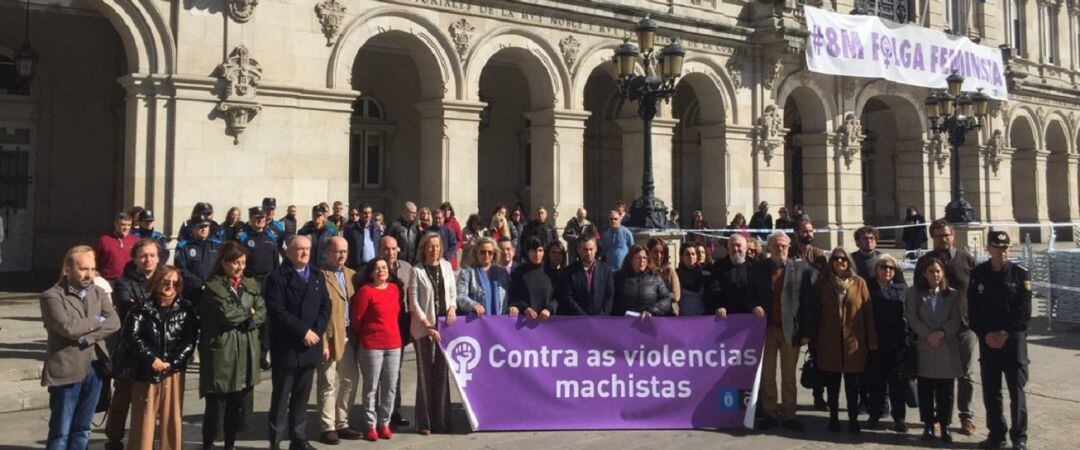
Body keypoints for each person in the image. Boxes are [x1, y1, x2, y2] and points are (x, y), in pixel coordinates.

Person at [41, 246, 121, 450]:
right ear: (68, 269)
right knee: (61, 430)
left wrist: (88, 337)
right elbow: (69, 328)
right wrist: (96, 319)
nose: (89, 274)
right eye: (83, 269)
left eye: (92, 269)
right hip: (67, 368)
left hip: (94, 368)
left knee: (83, 428)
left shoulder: (98, 292)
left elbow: (114, 322)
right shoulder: (52, 296)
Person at [115, 266, 198, 450]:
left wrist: (173, 362)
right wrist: (151, 359)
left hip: (173, 371)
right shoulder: (141, 308)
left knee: (172, 420)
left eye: (174, 282)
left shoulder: (185, 308)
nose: (170, 285)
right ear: (156, 282)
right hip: (146, 371)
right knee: (143, 421)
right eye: (165, 281)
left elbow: (190, 339)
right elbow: (131, 336)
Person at [263, 235, 331, 450]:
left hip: (310, 346)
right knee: (281, 397)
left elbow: (325, 307)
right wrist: (303, 331)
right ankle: (275, 441)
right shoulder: (277, 277)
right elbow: (277, 311)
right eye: (300, 249)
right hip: (288, 346)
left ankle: (298, 438)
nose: (304, 253)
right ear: (289, 252)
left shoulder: (317, 276)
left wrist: (316, 332)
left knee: (302, 396)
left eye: (308, 249)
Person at [198, 241, 267, 450]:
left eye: (243, 263)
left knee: (237, 403)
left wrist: (250, 317)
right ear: (224, 263)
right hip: (222, 352)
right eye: (235, 263)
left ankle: (230, 444)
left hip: (246, 350)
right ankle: (208, 443)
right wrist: (248, 314)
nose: (239, 267)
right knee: (217, 403)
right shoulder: (213, 287)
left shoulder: (250, 285)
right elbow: (227, 314)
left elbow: (262, 312)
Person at [969, 231, 1031, 450]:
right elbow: (973, 312)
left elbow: (1023, 313)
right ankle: (996, 434)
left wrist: (1004, 334)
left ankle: (1019, 437)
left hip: (1013, 343)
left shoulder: (1020, 274)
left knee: (1017, 392)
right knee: (991, 391)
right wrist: (986, 334)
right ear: (989, 249)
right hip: (989, 343)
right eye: (997, 247)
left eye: (1005, 248)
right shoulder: (978, 274)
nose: (1002, 252)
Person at [747, 231, 815, 431]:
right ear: (769, 248)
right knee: (768, 374)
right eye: (776, 246)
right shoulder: (759, 269)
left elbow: (808, 303)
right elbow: (749, 294)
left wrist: (807, 332)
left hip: (790, 330)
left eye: (784, 246)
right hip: (767, 329)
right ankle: (769, 413)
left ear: (789, 247)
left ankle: (788, 414)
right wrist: (754, 306)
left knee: (788, 376)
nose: (780, 249)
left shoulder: (800, 268)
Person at [916, 219, 977, 436]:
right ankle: (937, 418)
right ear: (932, 237)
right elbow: (917, 295)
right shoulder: (924, 261)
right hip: (934, 332)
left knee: (966, 374)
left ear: (953, 236)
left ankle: (966, 416)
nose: (945, 239)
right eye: (940, 235)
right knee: (936, 376)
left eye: (948, 235)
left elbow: (977, 292)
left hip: (964, 327)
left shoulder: (966, 259)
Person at [811, 247, 877, 434]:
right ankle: (833, 418)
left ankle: (853, 419)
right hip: (829, 340)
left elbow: (867, 313)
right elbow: (816, 312)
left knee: (852, 384)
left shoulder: (859, 283)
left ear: (849, 262)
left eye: (844, 259)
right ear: (831, 262)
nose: (841, 262)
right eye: (836, 259)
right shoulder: (823, 284)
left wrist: (871, 338)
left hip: (853, 342)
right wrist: (814, 338)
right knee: (832, 384)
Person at [411, 233, 471, 435]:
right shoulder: (417, 270)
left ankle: (442, 421)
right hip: (423, 327)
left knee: (442, 373)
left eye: (437, 246)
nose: (434, 249)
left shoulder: (446, 266)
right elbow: (414, 301)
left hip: (445, 325)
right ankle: (425, 422)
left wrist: (453, 307)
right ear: (424, 249)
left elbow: (452, 293)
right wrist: (426, 324)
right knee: (425, 373)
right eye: (430, 246)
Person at [105, 238, 161, 450]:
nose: (148, 259)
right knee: (123, 396)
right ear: (135, 258)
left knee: (151, 399)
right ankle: (114, 438)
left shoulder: (165, 278)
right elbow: (129, 309)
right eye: (143, 256)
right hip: (129, 348)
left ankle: (146, 438)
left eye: (152, 255)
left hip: (156, 347)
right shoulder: (123, 282)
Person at [907, 256, 963, 443]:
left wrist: (940, 333)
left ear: (943, 273)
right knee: (926, 390)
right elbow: (912, 318)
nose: (935, 275)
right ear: (924, 273)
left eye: (938, 271)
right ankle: (928, 426)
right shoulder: (914, 292)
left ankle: (945, 425)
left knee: (945, 391)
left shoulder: (953, 295)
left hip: (945, 347)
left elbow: (956, 320)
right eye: (931, 271)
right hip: (925, 347)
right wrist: (927, 335)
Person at [316, 237, 364, 444]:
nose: (342, 255)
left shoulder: (352, 275)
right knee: (328, 382)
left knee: (350, 379)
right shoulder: (319, 276)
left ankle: (342, 421)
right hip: (328, 336)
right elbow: (316, 311)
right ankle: (328, 426)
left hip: (348, 335)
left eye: (345, 251)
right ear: (327, 253)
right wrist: (323, 342)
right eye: (337, 251)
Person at [351, 258, 404, 441]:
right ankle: (370, 425)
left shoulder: (394, 289)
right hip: (372, 345)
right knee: (371, 387)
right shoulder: (366, 291)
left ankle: (384, 423)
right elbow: (357, 319)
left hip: (394, 344)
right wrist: (367, 334)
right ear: (371, 273)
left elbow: (397, 313)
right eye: (377, 268)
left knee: (390, 386)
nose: (381, 271)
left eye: (384, 267)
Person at [865, 255, 913, 432]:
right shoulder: (868, 288)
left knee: (897, 383)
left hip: (898, 343)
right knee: (876, 382)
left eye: (891, 268)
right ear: (876, 269)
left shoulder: (902, 288)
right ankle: (874, 414)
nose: (887, 271)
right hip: (876, 342)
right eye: (883, 267)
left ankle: (899, 418)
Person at [377, 236, 416, 428]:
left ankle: (394, 411)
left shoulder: (407, 268)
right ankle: (379, 412)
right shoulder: (372, 269)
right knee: (378, 372)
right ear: (379, 250)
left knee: (395, 371)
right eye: (386, 249)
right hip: (379, 327)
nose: (390, 253)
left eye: (393, 249)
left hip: (400, 325)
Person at [236, 207, 282, 370]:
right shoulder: (243, 237)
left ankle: (262, 356)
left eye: (262, 218)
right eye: (257, 218)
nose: (260, 220)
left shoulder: (271, 237)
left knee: (266, 321)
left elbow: (276, 263)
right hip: (249, 281)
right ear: (250, 218)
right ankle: (247, 355)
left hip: (267, 282)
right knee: (249, 317)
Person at [611, 245, 673, 318]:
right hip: (624, 322)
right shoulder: (617, 277)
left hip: (648, 322)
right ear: (631, 259)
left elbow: (666, 299)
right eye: (638, 258)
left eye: (645, 258)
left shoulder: (655, 278)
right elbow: (610, 300)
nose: (642, 261)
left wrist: (652, 311)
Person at [560, 236, 615, 316]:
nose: (588, 253)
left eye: (591, 249)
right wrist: (583, 316)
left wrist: (603, 315)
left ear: (596, 249)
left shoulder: (606, 270)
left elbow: (609, 296)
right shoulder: (569, 271)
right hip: (577, 320)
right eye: (585, 249)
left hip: (600, 320)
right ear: (578, 250)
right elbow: (567, 297)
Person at [175, 219, 222, 304]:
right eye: (200, 227)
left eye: (206, 226)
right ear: (193, 228)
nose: (204, 229)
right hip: (191, 291)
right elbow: (181, 269)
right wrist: (199, 284)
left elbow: (221, 266)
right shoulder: (184, 246)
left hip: (212, 290)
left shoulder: (216, 245)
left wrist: (212, 284)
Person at [457, 237, 509, 315]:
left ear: (494, 254)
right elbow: (460, 297)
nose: (486, 255)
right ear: (476, 253)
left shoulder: (502, 273)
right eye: (483, 252)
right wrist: (473, 305)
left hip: (499, 322)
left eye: (490, 252)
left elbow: (508, 297)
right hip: (476, 321)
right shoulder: (467, 273)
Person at [508, 238, 558, 320]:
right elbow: (513, 296)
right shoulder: (518, 272)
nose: (537, 254)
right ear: (528, 252)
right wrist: (525, 308)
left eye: (540, 250)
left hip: (548, 322)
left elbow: (557, 297)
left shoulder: (551, 272)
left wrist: (549, 309)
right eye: (533, 251)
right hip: (524, 321)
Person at [709, 234, 752, 317]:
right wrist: (719, 305)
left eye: (738, 245)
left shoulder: (754, 266)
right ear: (728, 249)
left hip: (749, 314)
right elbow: (714, 288)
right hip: (725, 314)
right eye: (732, 246)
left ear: (746, 248)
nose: (735, 249)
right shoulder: (718, 266)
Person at [96, 212, 140, 284]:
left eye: (129, 225)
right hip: (108, 281)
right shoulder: (104, 240)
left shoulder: (136, 241)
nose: (126, 228)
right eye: (123, 225)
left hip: (129, 281)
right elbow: (96, 259)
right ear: (115, 224)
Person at [645, 237, 680, 315]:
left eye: (662, 252)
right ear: (649, 252)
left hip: (668, 314)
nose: (659, 256)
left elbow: (676, 296)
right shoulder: (645, 271)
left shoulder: (670, 271)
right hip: (648, 313)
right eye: (655, 252)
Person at [342, 203, 381, 271]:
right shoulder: (351, 229)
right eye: (365, 213)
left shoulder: (376, 229)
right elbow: (345, 247)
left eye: (369, 213)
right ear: (360, 214)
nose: (367, 215)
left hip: (374, 266)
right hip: (357, 267)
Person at [299, 204, 338, 269]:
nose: (316, 217)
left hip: (325, 267)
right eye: (314, 215)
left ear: (323, 216)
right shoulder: (305, 230)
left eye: (319, 215)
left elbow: (335, 248)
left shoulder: (330, 231)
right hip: (309, 266)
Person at [675, 243, 708, 316]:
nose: (691, 257)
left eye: (693, 254)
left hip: (702, 318)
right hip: (682, 319)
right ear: (681, 257)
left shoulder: (704, 275)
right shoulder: (675, 275)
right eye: (687, 254)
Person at [439, 202, 465, 270]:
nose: (447, 212)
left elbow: (460, 240)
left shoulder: (455, 223)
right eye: (444, 210)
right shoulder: (439, 222)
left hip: (451, 256)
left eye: (448, 210)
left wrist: (453, 249)